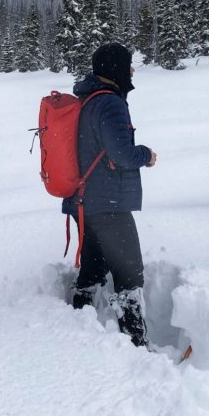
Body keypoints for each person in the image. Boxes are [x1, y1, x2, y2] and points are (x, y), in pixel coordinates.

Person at [65, 43, 157, 347]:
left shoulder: (87, 99)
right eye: (128, 65)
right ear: (115, 67)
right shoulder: (110, 103)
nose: (131, 71)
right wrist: (146, 154)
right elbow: (120, 155)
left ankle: (79, 328)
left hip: (84, 202)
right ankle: (135, 343)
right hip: (109, 203)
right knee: (129, 273)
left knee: (93, 267)